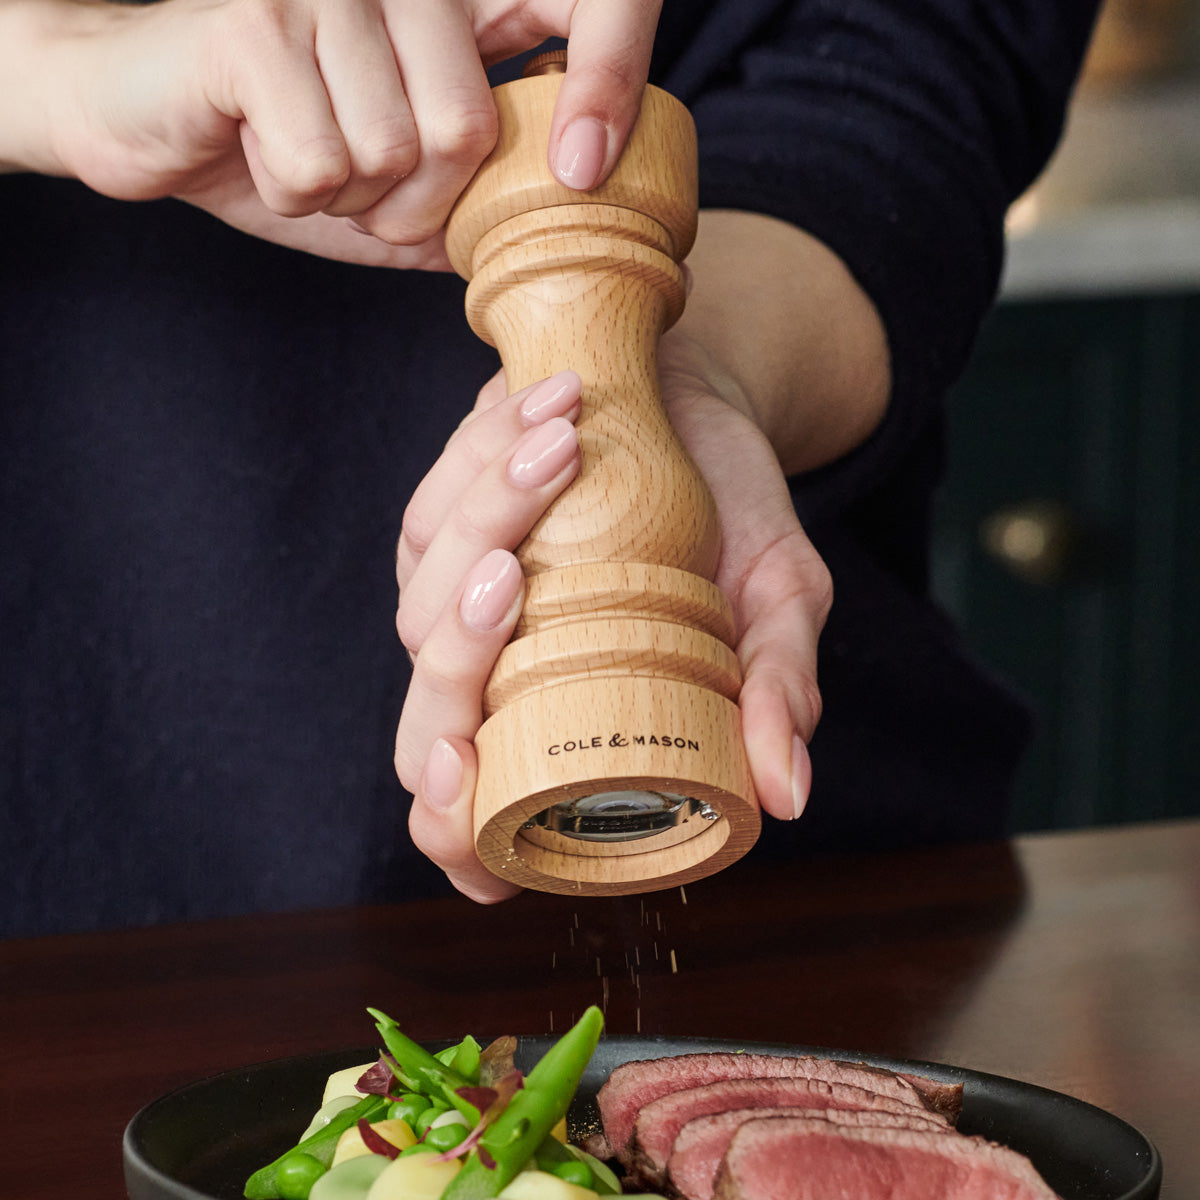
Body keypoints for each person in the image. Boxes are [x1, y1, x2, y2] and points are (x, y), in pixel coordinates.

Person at [0, 0, 1101, 935]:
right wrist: (53, 66)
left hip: (805, 880)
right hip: (82, 862)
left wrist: (700, 370)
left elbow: (909, 80)